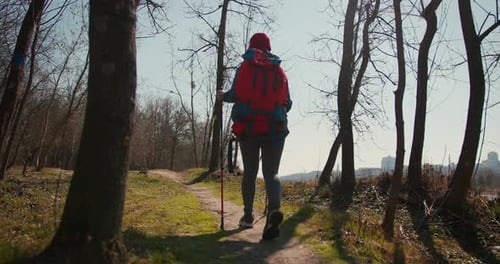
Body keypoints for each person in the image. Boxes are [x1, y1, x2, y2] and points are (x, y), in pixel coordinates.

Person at [216, 32, 292, 240]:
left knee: (250, 171)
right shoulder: (278, 70)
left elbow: (235, 94)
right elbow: (288, 103)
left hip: (248, 128)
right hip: (275, 129)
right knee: (272, 173)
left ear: (251, 46)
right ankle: (273, 213)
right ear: (269, 47)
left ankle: (248, 216)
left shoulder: (245, 67)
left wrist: (223, 96)